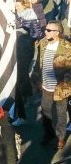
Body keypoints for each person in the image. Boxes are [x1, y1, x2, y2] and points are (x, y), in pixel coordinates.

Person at [33, 21, 70, 150]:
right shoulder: (43, 43)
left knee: (60, 113)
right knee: (45, 110)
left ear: (57, 33)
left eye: (49, 30)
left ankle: (60, 137)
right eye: (46, 29)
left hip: (60, 87)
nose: (45, 32)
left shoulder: (67, 47)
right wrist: (36, 80)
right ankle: (49, 134)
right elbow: (38, 63)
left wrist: (66, 86)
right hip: (46, 86)